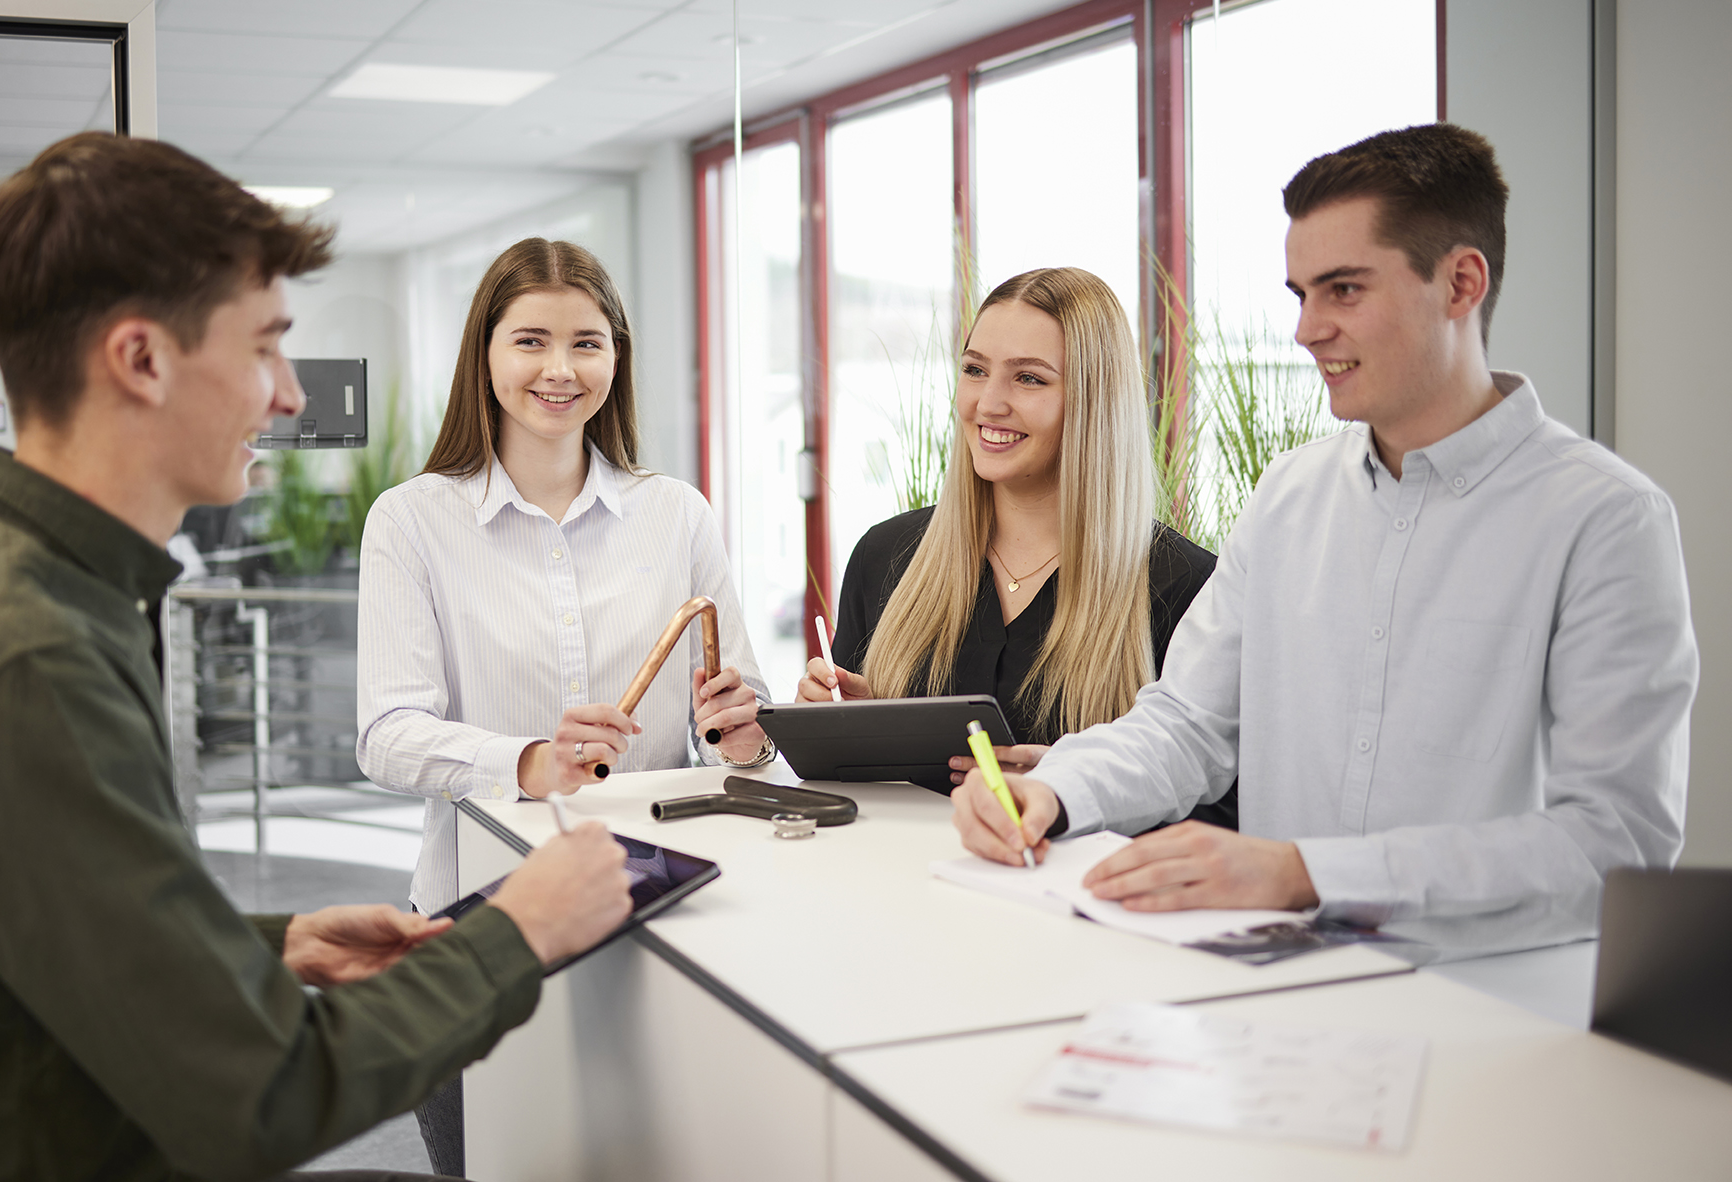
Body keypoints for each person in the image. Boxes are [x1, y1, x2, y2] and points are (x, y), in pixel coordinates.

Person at [0, 133, 638, 1182]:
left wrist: (265, 943)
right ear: (142, 359)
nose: (289, 397)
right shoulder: (22, 657)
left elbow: (43, 922)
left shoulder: (3, 587)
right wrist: (518, 929)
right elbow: (259, 1094)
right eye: (265, 348)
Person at [954, 124, 1695, 953]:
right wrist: (1057, 791)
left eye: (1343, 291)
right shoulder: (1289, 498)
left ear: (1461, 284)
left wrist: (1310, 872)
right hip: (1278, 973)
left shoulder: (1604, 519)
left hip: (1490, 996)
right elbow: (1188, 725)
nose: (1307, 329)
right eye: (1301, 294)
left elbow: (1615, 838)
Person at [355, 236, 771, 1175]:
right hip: (477, 920)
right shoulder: (412, 521)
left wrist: (745, 734)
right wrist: (530, 761)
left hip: (659, 904)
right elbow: (387, 735)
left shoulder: (677, 514)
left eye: (587, 343)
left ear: (616, 357)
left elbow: (734, 731)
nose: (559, 369)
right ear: (485, 354)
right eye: (530, 341)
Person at [798, 268, 1220, 804]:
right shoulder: (885, 558)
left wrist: (1081, 785)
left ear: (1095, 401)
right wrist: (843, 733)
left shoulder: (1186, 587)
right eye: (975, 370)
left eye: (1029, 379)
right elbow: (842, 794)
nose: (988, 403)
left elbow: (1223, 808)